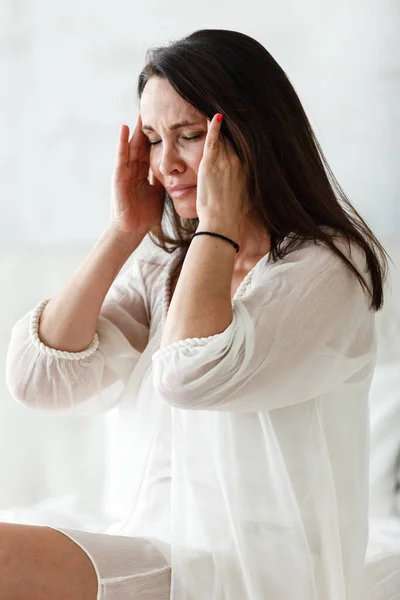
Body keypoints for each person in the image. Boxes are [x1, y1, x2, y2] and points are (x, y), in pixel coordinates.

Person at [2, 28, 392, 600]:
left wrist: (216, 226)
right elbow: (39, 381)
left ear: (253, 137)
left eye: (188, 137)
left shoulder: (330, 267)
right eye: (154, 140)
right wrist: (123, 230)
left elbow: (191, 375)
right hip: (153, 548)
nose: (166, 165)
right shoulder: (165, 268)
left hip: (258, 572)